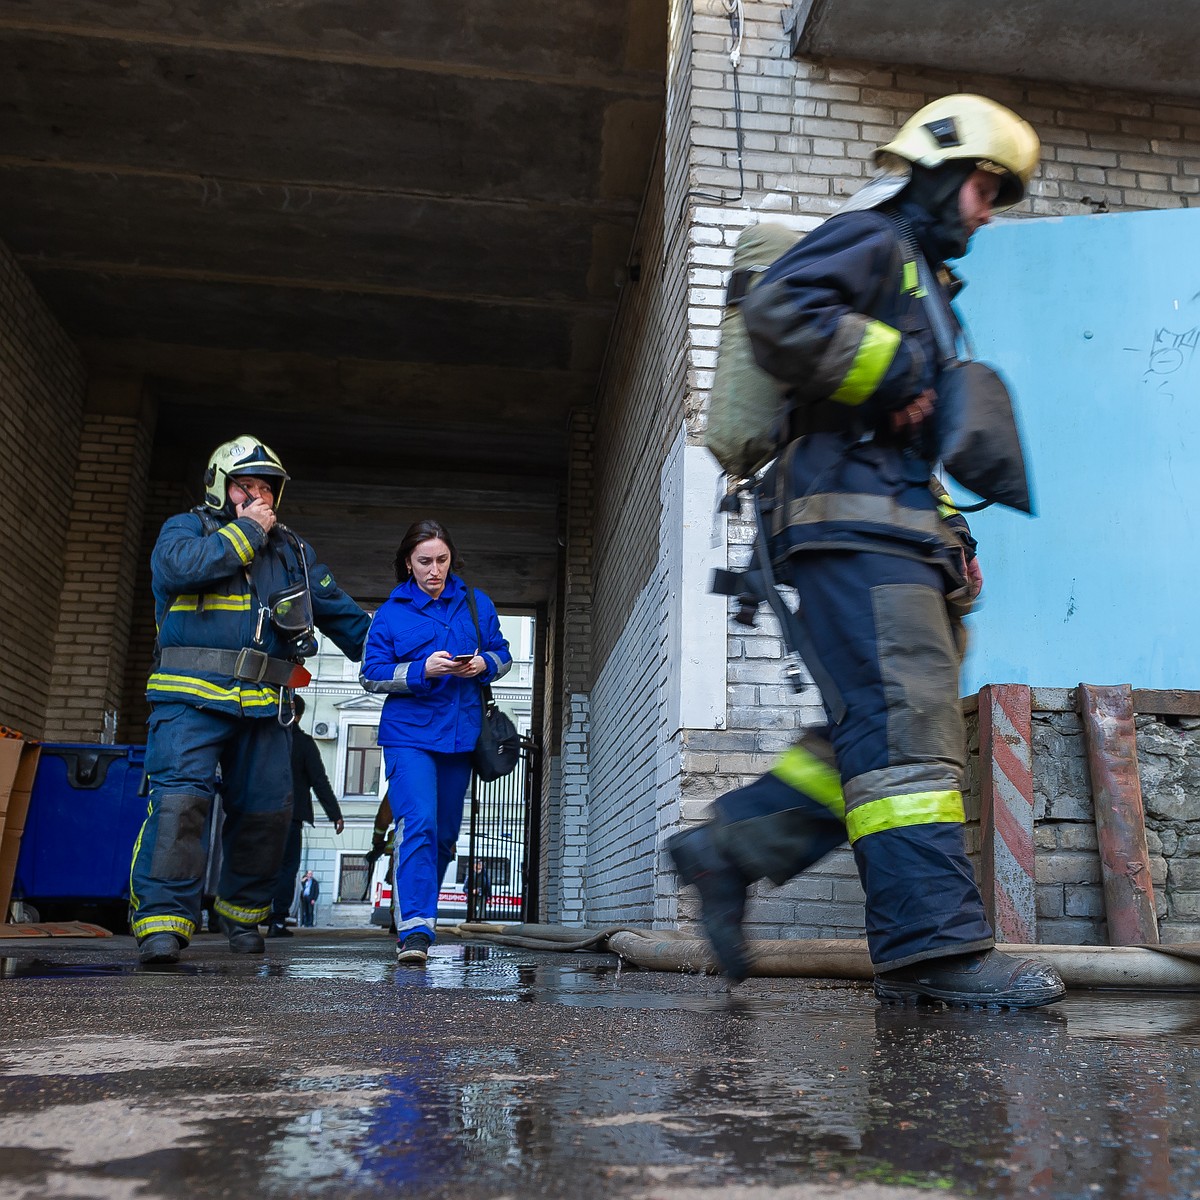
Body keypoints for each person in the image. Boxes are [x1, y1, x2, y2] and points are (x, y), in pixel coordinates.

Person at [669, 95, 1066, 1009]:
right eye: (981, 185)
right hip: (851, 528)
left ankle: (727, 849)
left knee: (871, 734)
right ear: (934, 171)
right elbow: (781, 310)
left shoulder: (923, 283)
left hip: (893, 532)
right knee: (902, 734)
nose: (986, 209)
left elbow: (911, 447)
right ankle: (933, 952)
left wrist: (952, 540)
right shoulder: (873, 240)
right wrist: (900, 368)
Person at [130, 436, 369, 965]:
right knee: (180, 806)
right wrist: (247, 531)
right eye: (247, 486)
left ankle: (242, 917)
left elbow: (345, 616)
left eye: (267, 488)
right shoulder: (186, 529)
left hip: (264, 705)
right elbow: (179, 569)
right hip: (187, 700)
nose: (259, 497)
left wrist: (407, 663)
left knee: (266, 813)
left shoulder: (294, 553)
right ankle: (162, 926)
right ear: (221, 487)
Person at [360, 519, 512, 966]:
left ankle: (411, 904)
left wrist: (483, 662)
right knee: (418, 824)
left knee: (444, 836)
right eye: (424, 561)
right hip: (409, 736)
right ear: (408, 562)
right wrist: (420, 670)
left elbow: (503, 655)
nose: (434, 570)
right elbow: (370, 674)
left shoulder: (475, 603)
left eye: (441, 560)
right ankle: (416, 930)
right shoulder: (391, 613)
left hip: (461, 738)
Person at [266, 694, 344, 937]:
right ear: (299, 715)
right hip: (290, 815)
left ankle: (245, 919)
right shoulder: (304, 743)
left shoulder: (264, 740)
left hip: (258, 813)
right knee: (287, 868)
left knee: (260, 864)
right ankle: (277, 921)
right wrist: (335, 815)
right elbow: (319, 781)